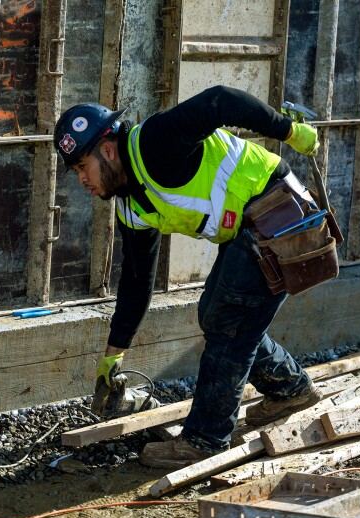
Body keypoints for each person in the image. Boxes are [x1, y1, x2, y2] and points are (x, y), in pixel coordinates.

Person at [53, 85, 324, 468]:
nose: (82, 180)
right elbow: (135, 280)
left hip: (279, 211)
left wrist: (289, 131)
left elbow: (221, 100)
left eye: (83, 166)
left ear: (108, 150)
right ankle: (290, 390)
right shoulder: (131, 205)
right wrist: (114, 355)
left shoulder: (153, 143)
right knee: (216, 314)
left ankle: (205, 440)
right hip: (251, 226)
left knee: (228, 322)